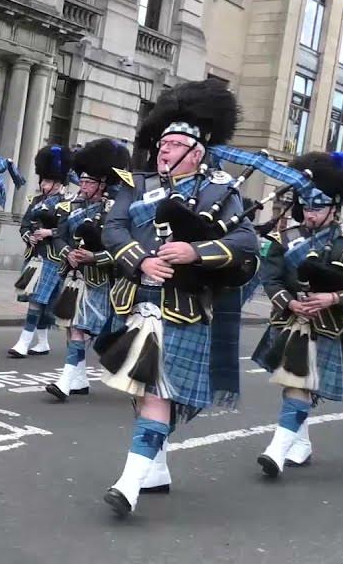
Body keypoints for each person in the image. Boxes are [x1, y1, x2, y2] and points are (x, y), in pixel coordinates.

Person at [98, 78, 258, 517]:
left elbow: (246, 243)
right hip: (135, 299)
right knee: (141, 390)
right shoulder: (136, 183)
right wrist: (141, 261)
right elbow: (113, 229)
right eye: (162, 143)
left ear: (197, 152)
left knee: (156, 393)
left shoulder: (220, 190)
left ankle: (128, 484)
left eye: (174, 145)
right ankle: (157, 467)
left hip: (183, 307)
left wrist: (194, 252)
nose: (163, 150)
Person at [250, 148, 343, 477]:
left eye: (317, 208)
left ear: (334, 208)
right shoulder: (285, 238)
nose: (310, 214)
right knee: (293, 384)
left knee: (300, 385)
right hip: (290, 320)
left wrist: (333, 297)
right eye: (306, 207)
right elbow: (271, 278)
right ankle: (300, 443)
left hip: (329, 324)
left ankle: (277, 450)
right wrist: (289, 302)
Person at [45, 138, 130, 401]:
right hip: (73, 276)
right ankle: (79, 378)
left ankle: (65, 381)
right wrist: (68, 253)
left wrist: (95, 257)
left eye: (89, 182)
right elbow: (58, 237)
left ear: (102, 183)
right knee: (71, 328)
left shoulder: (114, 211)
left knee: (80, 328)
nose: (83, 186)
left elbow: (122, 249)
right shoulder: (71, 207)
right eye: (81, 181)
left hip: (100, 280)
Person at [9, 145, 76, 358]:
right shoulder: (36, 201)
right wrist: (29, 236)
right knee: (43, 301)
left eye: (48, 181)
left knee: (37, 299)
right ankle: (43, 342)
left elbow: (68, 230)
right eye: (43, 181)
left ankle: (23, 342)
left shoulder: (67, 204)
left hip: (53, 257)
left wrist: (49, 232)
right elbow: (25, 224)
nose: (44, 184)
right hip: (35, 255)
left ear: (59, 183)